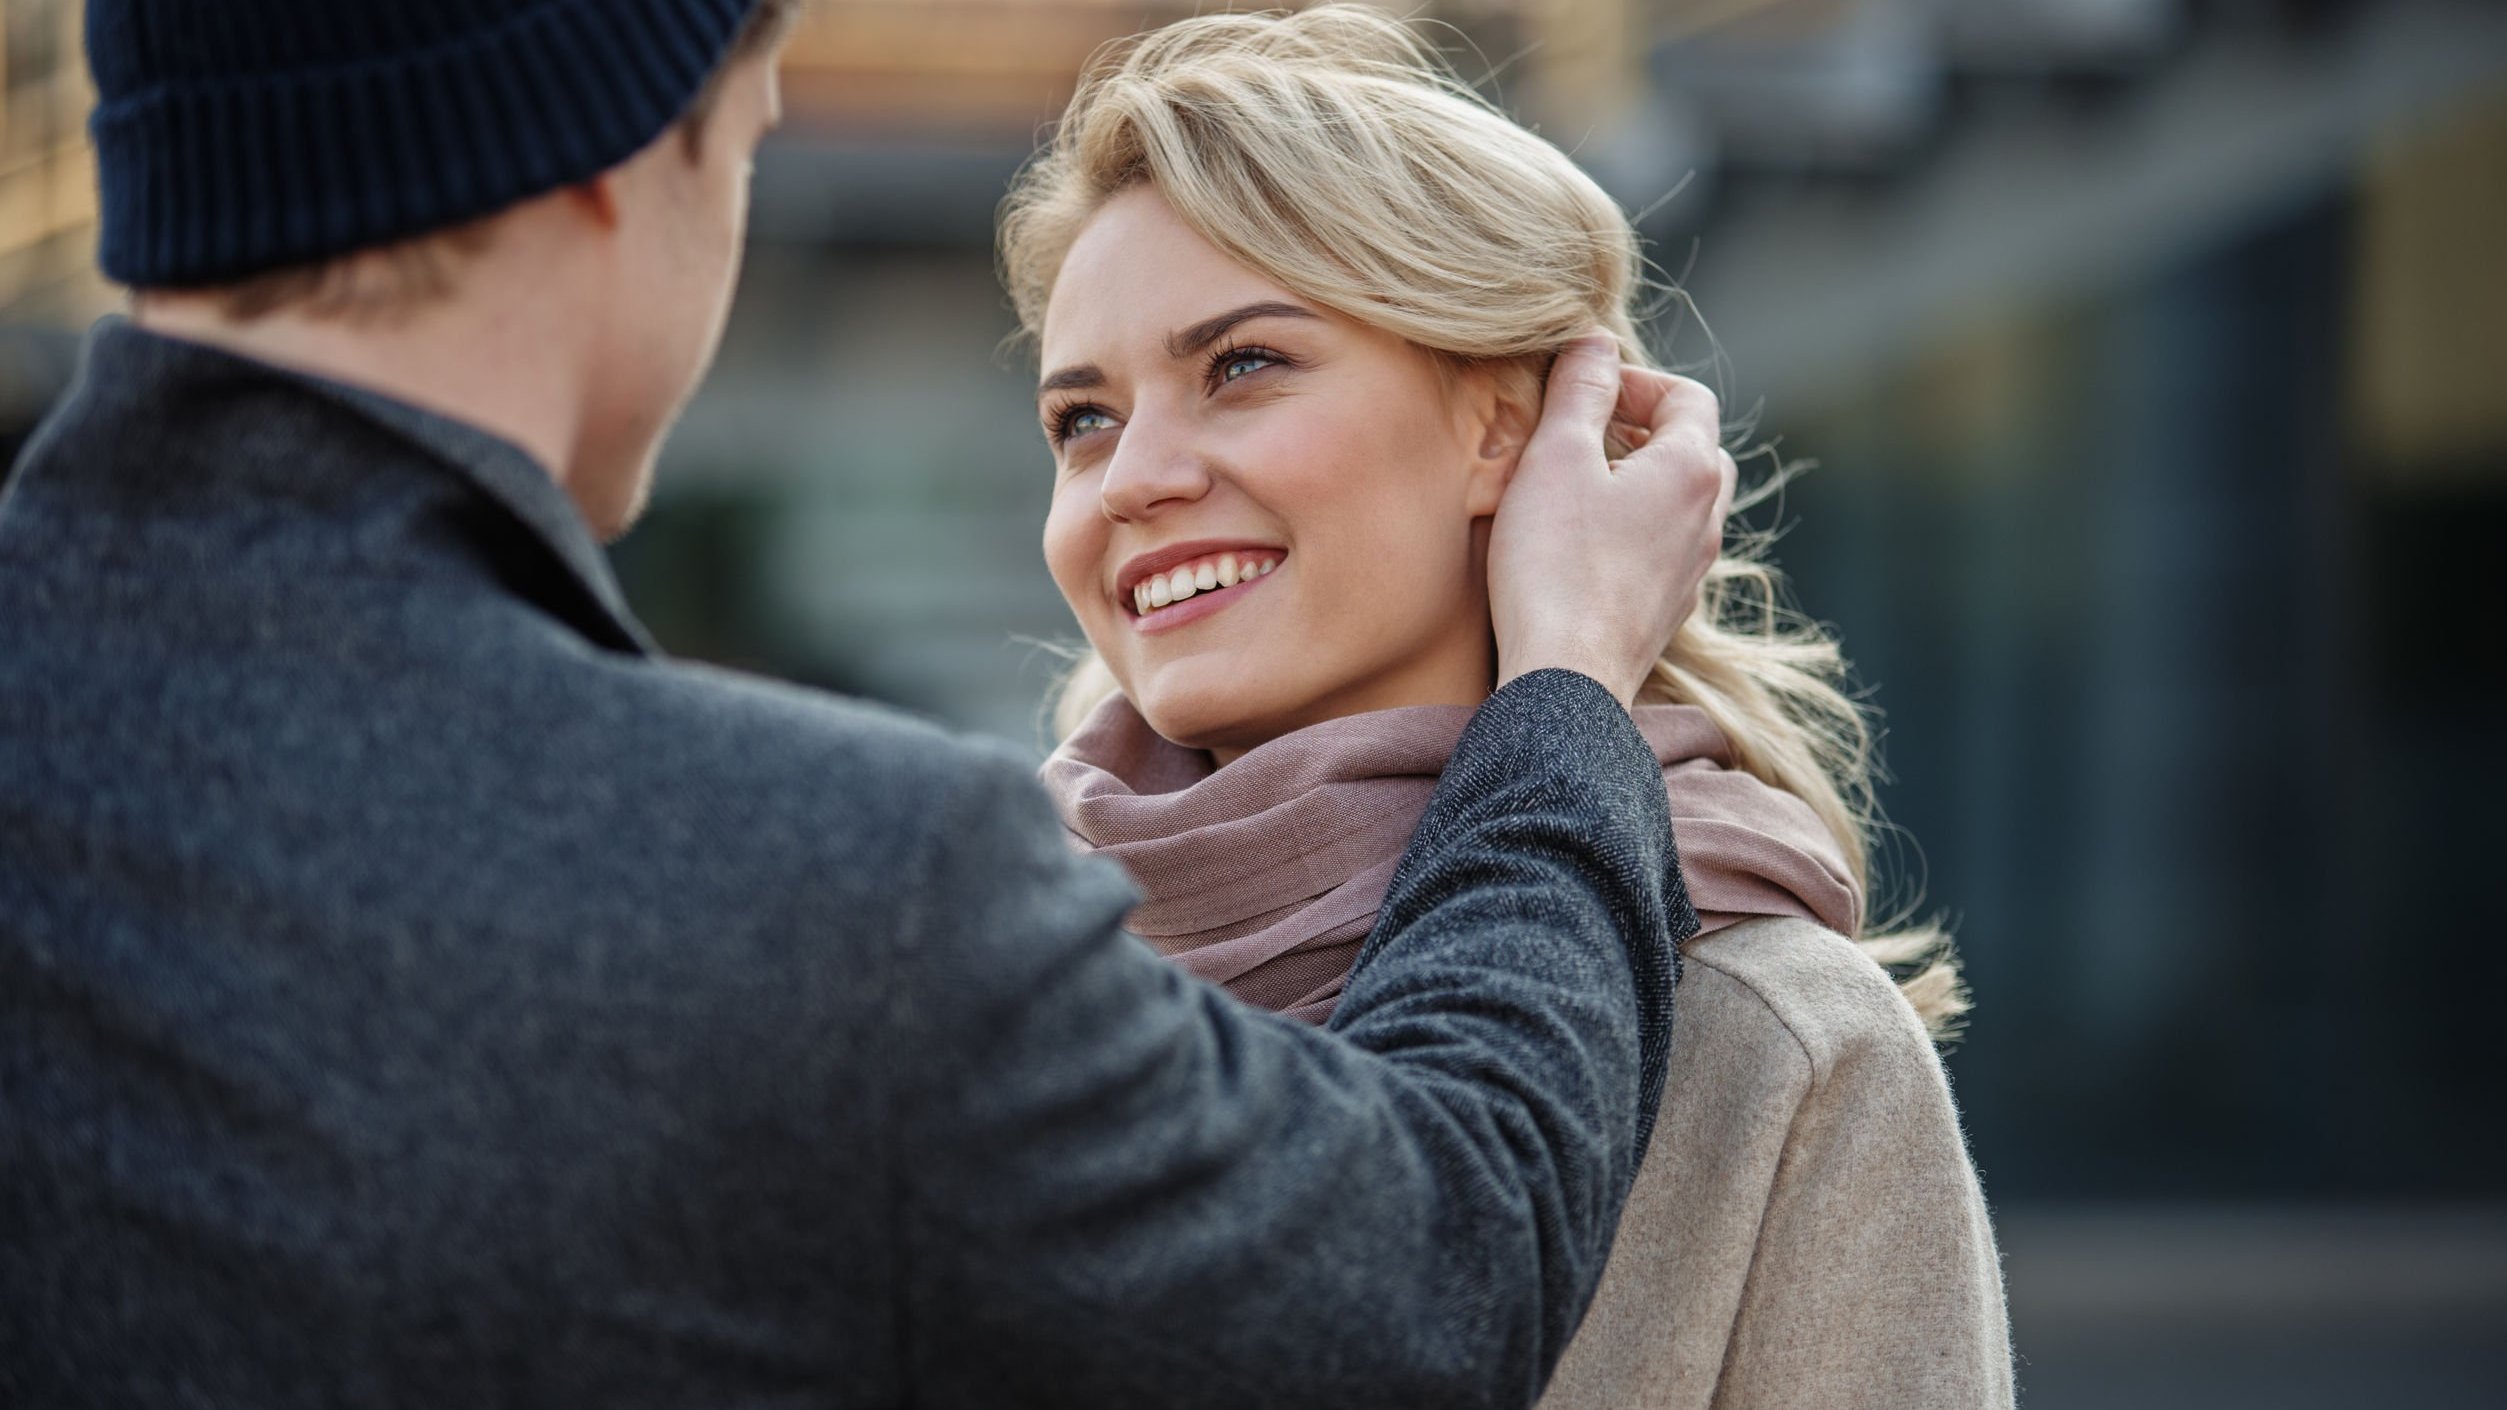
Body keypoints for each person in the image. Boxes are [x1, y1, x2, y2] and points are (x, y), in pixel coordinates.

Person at [0, 2, 1739, 1407]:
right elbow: (1443, 1265)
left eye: (1246, 366)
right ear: (627, 158)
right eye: (747, 137)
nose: (1138, 476)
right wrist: (1569, 682)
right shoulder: (846, 895)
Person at [1002, 8, 2015, 1406]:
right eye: (1084, 419)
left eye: (1242, 365)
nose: (1131, 478)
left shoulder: (1777, 1043)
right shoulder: (981, 998)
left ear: (1507, 428)